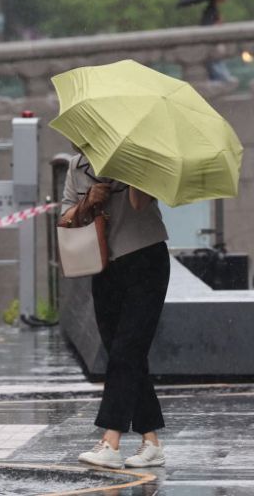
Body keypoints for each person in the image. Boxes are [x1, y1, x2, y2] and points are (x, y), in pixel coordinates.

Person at [60, 150, 169, 469]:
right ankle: (151, 441)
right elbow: (65, 217)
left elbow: (139, 203)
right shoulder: (76, 166)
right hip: (104, 265)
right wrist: (88, 201)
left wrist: (132, 168)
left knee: (127, 350)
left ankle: (111, 440)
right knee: (122, 353)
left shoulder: (140, 157)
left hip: (146, 260)